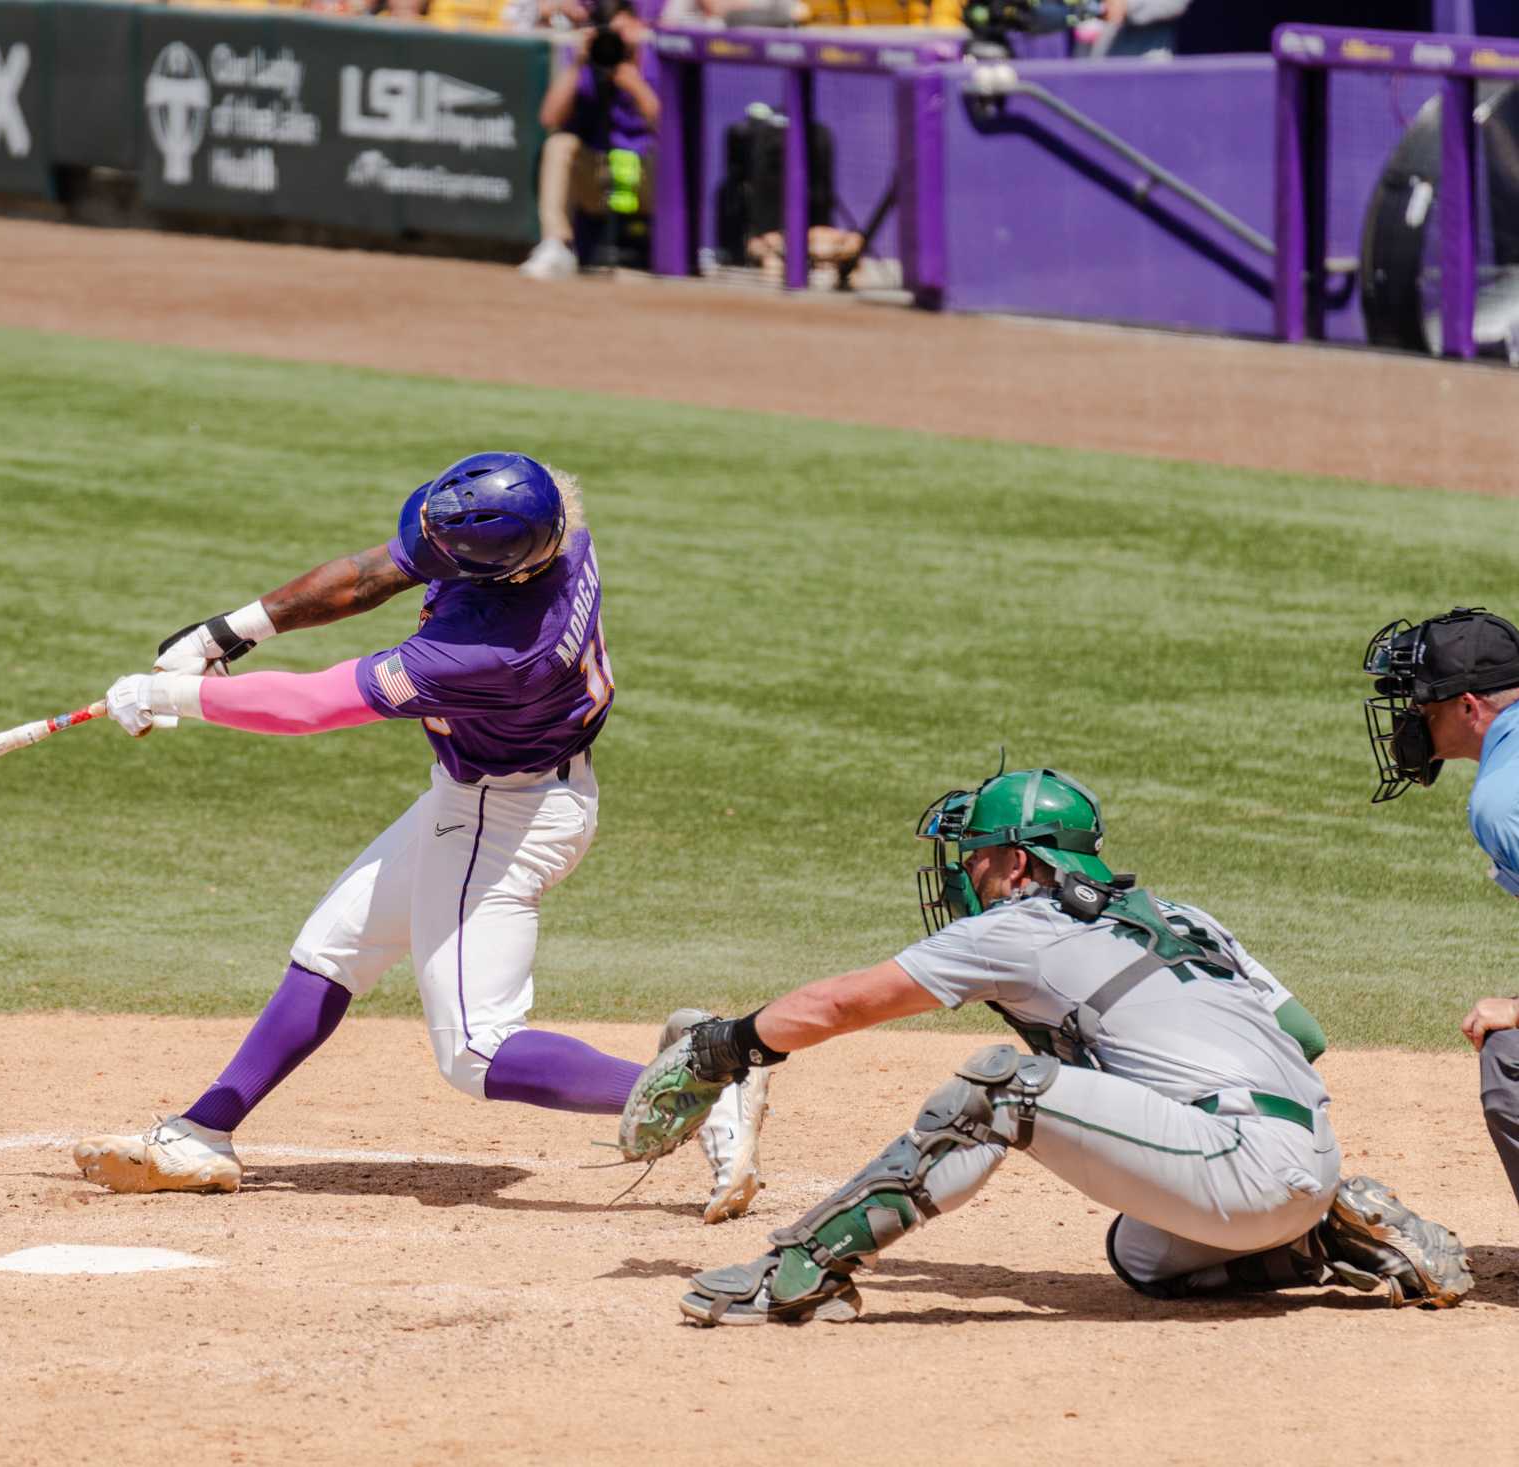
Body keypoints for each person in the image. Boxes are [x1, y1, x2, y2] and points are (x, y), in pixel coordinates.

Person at [71, 453, 769, 1224]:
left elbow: (312, 705)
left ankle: (708, 1075)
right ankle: (202, 1132)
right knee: (334, 946)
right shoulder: (545, 521)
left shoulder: (491, 650)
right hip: (501, 794)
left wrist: (173, 694)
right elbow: (376, 570)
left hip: (501, 820)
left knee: (476, 1050)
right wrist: (227, 632)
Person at [620, 767, 1473, 1324]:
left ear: (1022, 864)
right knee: (1141, 1254)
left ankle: (799, 1271)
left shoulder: (1021, 926)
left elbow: (843, 1002)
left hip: (1238, 1160)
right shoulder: (1183, 914)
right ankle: (1334, 1235)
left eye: (980, 856)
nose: (966, 873)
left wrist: (724, 1046)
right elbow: (1305, 1036)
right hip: (1302, 1155)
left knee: (1004, 1091)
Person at [1360, 606, 1519, 1209]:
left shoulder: (1503, 799)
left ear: (1469, 707)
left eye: (1420, 705)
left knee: (1511, 1061)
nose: (1409, 721)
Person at [518, 0, 662, 280]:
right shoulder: (586, 59)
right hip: (597, 174)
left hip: (646, 176)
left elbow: (668, 127)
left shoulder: (655, 58)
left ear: (637, 26)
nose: (615, 41)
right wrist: (579, 64)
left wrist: (635, 85)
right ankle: (556, 245)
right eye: (610, 33)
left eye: (622, 32)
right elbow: (549, 118)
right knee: (559, 145)